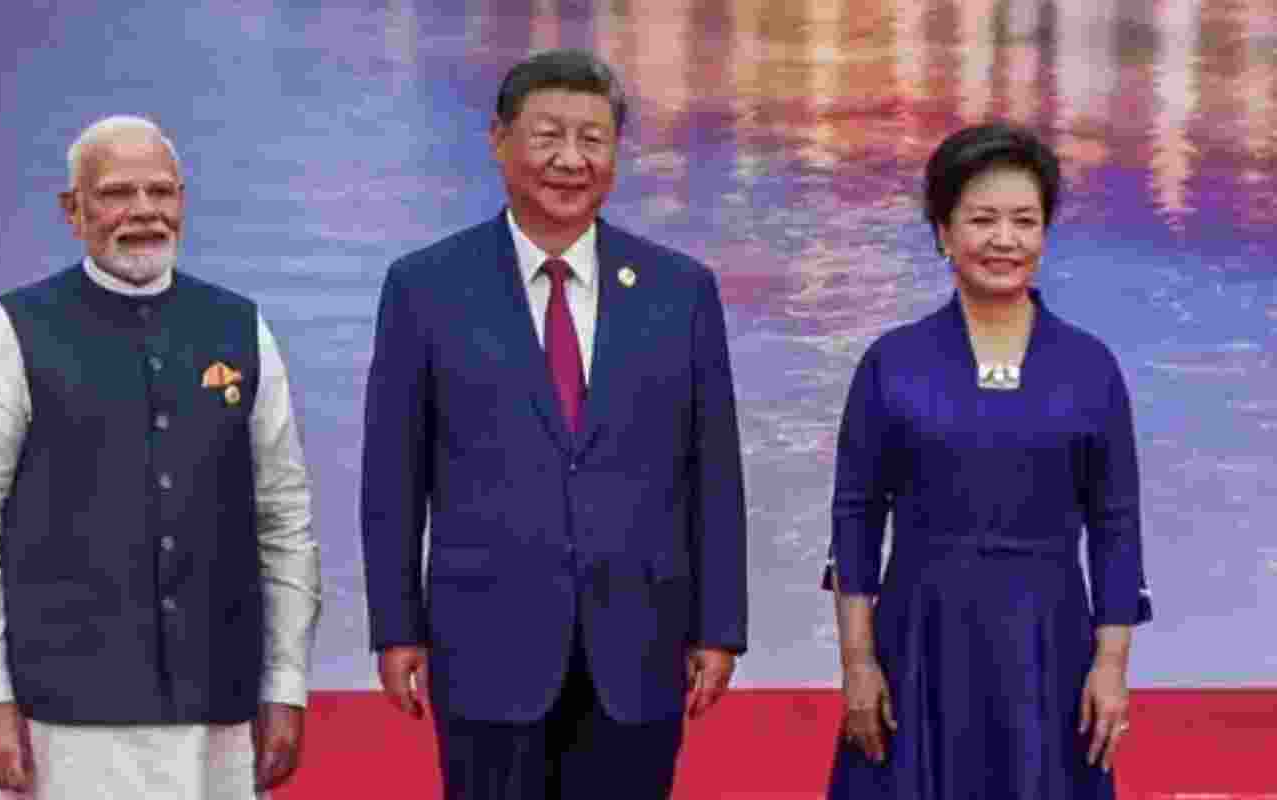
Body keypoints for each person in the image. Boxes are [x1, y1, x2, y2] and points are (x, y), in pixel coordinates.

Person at [359, 48, 748, 799]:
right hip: (486, 639)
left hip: (638, 640)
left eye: (593, 139)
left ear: (616, 152)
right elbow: (392, 475)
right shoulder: (425, 287)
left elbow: (715, 471)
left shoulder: (681, 291)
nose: (571, 160)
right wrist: (397, 626)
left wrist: (718, 625)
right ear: (499, 139)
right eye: (548, 136)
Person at [0, 115, 322, 799]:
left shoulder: (239, 327)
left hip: (216, 716)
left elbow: (285, 522)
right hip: (61, 718)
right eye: (117, 193)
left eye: (161, 192)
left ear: (183, 200)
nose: (143, 212)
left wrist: (286, 685)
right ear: (72, 209)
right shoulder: (14, 332)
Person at [822, 122, 1153, 799]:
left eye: (1024, 221)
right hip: (920, 639)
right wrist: (858, 662)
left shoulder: (1089, 367)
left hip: (1048, 641)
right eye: (982, 220)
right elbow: (855, 517)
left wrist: (1111, 664)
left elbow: (1115, 526)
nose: (1004, 240)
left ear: (1045, 233)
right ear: (943, 231)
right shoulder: (894, 362)